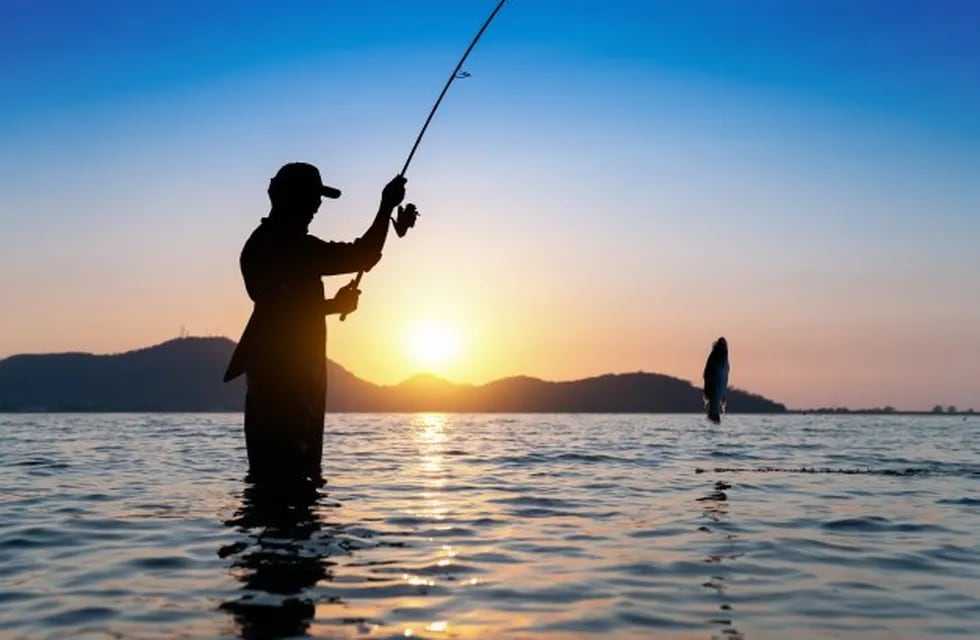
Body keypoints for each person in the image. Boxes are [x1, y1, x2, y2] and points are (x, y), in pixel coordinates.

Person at [224, 162, 417, 477]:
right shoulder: (291, 247)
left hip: (277, 384)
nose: (317, 206)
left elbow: (282, 308)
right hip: (291, 390)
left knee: (272, 486)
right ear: (290, 199)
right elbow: (362, 255)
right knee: (293, 480)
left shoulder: (262, 244)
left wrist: (332, 305)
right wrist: (385, 207)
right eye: (312, 198)